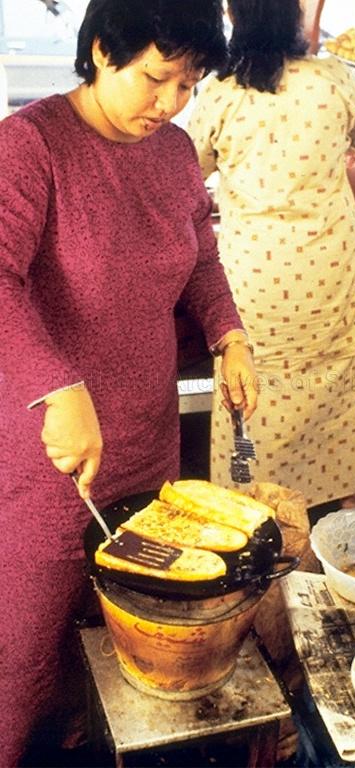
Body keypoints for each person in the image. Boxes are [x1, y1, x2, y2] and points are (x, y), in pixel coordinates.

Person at [0, 0, 258, 764]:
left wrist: (229, 331)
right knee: (31, 635)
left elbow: (201, 256)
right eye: (157, 78)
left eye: (191, 83)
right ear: (103, 51)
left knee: (131, 624)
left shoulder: (175, 152)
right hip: (53, 451)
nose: (173, 102)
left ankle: (89, 739)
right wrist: (57, 384)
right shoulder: (31, 146)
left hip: (147, 439)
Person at [188, 0, 355, 511]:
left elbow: (189, 166)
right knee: (335, 388)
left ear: (235, 17)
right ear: (294, 15)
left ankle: (246, 506)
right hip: (328, 274)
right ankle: (345, 497)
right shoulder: (332, 78)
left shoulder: (219, 93)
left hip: (255, 280)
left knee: (249, 394)